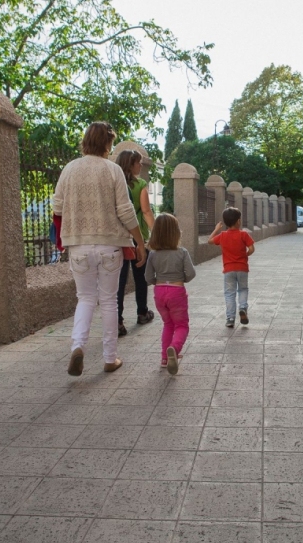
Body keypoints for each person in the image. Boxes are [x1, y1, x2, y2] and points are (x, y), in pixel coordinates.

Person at [52, 121, 146, 376]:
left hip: (79, 246)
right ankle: (109, 358)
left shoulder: (70, 169)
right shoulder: (112, 170)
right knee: (108, 301)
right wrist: (139, 242)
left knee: (85, 298)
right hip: (110, 246)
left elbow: (57, 208)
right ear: (107, 142)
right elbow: (126, 211)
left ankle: (77, 346)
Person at [144, 213, 196, 375]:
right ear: (176, 233)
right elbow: (191, 273)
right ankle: (174, 348)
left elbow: (147, 277)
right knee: (181, 325)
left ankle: (165, 358)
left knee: (168, 324)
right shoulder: (182, 252)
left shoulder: (152, 254)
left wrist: (157, 282)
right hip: (176, 292)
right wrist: (182, 279)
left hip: (159, 292)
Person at [115, 149, 156, 336]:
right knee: (141, 276)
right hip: (136, 236)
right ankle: (142, 312)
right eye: (138, 162)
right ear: (131, 164)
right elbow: (146, 211)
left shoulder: (114, 182)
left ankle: (118, 321)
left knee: (119, 281)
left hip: (117, 238)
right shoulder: (140, 184)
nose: (141, 165)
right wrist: (155, 233)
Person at [208, 207, 255, 328]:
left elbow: (209, 241)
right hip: (242, 268)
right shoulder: (243, 234)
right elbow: (251, 249)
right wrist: (245, 255)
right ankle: (243, 308)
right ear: (238, 221)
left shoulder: (222, 235)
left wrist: (216, 230)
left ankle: (230, 318)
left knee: (229, 294)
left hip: (228, 270)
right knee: (243, 289)